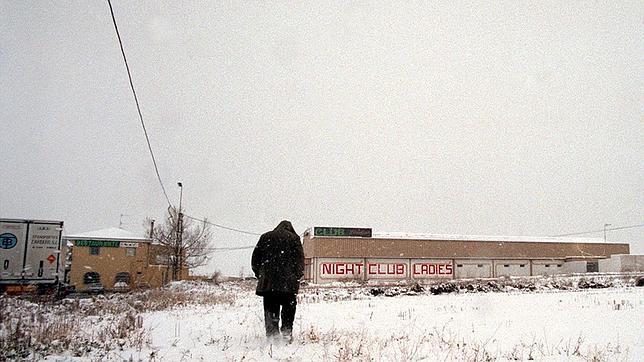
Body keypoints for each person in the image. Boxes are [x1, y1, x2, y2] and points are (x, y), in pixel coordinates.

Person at [251, 220, 304, 342]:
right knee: (288, 309)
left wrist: (261, 275)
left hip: (269, 284)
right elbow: (300, 260)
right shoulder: (294, 238)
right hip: (288, 284)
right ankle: (286, 333)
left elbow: (255, 259)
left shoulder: (265, 237)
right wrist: (296, 276)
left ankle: (272, 335)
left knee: (270, 308)